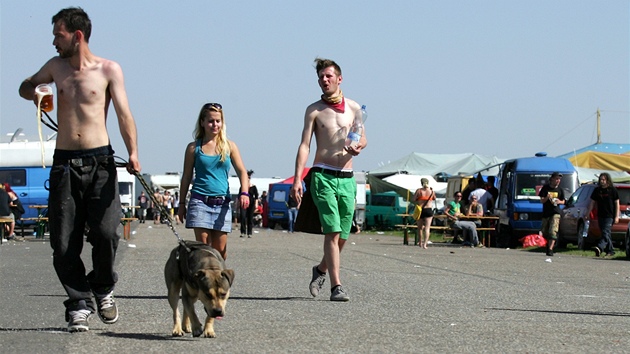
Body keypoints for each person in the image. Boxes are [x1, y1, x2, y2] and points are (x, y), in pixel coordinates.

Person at [18, 7, 141, 332]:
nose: (54, 42)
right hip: (64, 164)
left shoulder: (108, 69)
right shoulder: (55, 67)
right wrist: (35, 91)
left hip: (100, 161)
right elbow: (25, 84)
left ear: (77, 35)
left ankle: (102, 287)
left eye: (58, 35)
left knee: (106, 233)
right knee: (62, 243)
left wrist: (134, 152)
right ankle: (79, 303)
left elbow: (124, 114)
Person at [291, 58, 367, 302]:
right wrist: (297, 180)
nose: (324, 80)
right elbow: (305, 145)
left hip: (346, 177)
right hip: (322, 175)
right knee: (332, 231)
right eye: (321, 77)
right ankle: (337, 286)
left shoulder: (354, 108)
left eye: (328, 76)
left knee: (343, 234)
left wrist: (359, 146)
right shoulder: (314, 110)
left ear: (339, 79)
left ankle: (321, 270)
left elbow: (362, 137)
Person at [178, 103, 250, 260]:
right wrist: (181, 204)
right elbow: (186, 177)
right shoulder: (193, 148)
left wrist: (244, 193)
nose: (214, 124)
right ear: (202, 122)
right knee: (203, 249)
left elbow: (243, 172)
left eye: (218, 121)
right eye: (211, 121)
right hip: (200, 201)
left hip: (222, 203)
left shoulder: (229, 146)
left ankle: (218, 282)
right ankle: (202, 283)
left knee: (220, 252)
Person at [586, 172, 619, 257]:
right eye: (601, 179)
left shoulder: (613, 190)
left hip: (610, 216)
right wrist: (588, 213)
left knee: (605, 232)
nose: (602, 181)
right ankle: (610, 251)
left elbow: (617, 203)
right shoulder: (597, 190)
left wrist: (616, 216)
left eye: (604, 179)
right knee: (606, 233)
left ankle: (600, 247)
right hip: (600, 215)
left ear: (607, 180)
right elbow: (592, 202)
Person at [539, 172, 565, 256]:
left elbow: (563, 200)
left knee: (553, 231)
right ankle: (548, 245)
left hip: (556, 212)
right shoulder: (545, 188)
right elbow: (542, 200)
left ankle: (550, 249)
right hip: (546, 213)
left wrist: (559, 202)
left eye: (559, 179)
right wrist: (547, 197)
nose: (558, 181)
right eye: (557, 179)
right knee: (545, 232)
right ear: (552, 179)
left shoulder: (560, 190)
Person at [413, 178, 435, 249]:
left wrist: (419, 199)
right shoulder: (431, 191)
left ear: (421, 183)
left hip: (420, 210)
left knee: (419, 228)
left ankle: (420, 242)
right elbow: (434, 198)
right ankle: (425, 244)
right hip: (428, 210)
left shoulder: (419, 191)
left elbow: (413, 199)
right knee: (427, 228)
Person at [240, 170, 259, 238]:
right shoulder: (242, 187)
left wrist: (256, 204)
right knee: (243, 217)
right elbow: (239, 195)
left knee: (250, 218)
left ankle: (249, 232)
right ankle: (243, 232)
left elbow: (256, 196)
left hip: (251, 203)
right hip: (244, 204)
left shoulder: (253, 187)